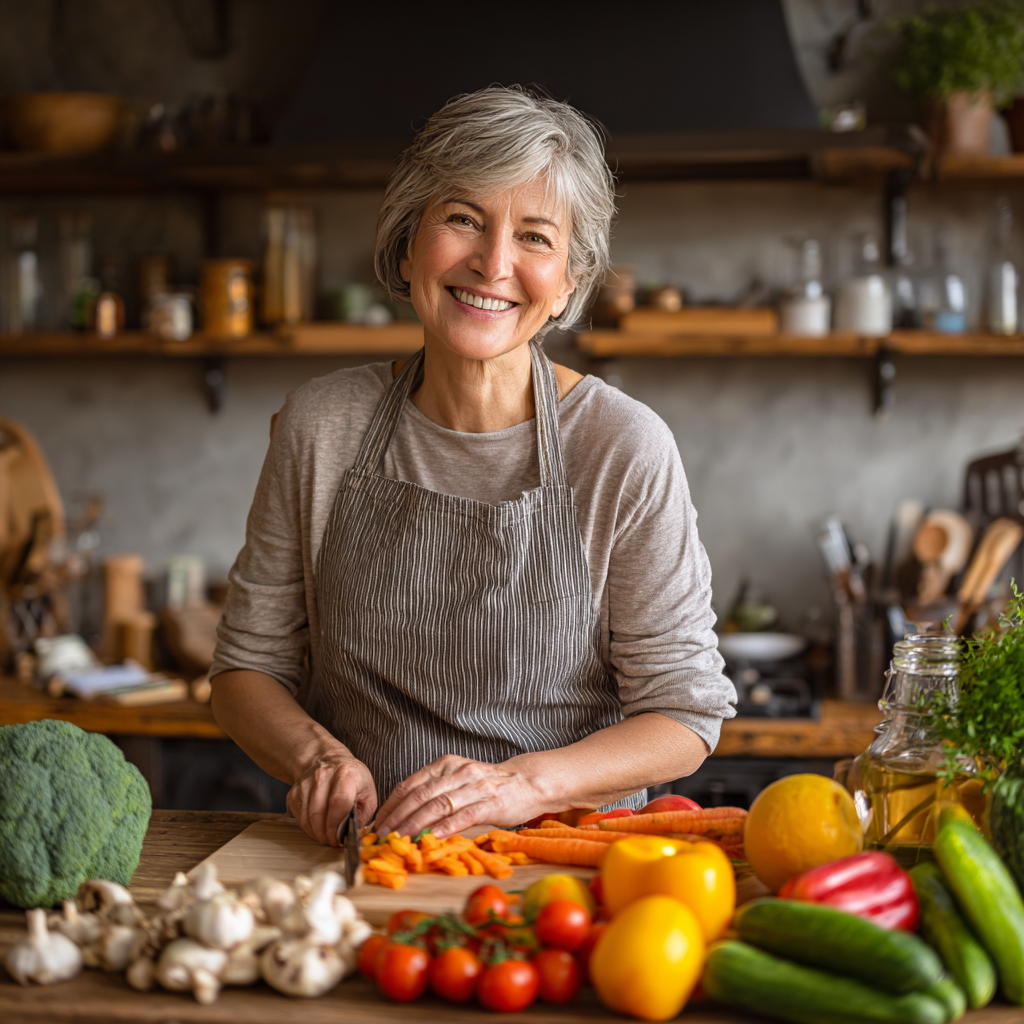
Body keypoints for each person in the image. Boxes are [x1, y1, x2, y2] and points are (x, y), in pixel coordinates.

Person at [210, 86, 735, 848]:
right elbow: (243, 671)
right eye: (463, 219)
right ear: (406, 245)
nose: (493, 264)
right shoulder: (321, 426)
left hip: (561, 870)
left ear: (568, 282)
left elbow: (685, 713)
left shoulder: (622, 446)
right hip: (366, 860)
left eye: (535, 237)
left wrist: (523, 785)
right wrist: (316, 757)